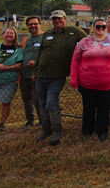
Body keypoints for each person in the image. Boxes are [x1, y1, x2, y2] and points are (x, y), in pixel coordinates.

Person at [34, 10, 86, 145]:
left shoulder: (74, 31)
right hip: (41, 74)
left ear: (64, 19)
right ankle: (46, 129)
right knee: (42, 103)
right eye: (54, 19)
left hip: (57, 75)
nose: (57, 21)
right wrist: (35, 71)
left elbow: (88, 43)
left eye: (59, 19)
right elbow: (40, 53)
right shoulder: (47, 34)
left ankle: (57, 130)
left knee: (51, 102)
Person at [70, 19, 110, 141]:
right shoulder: (84, 42)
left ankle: (102, 131)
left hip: (108, 83)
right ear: (93, 27)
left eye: (103, 26)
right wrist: (73, 78)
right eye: (98, 26)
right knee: (88, 108)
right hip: (87, 83)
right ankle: (87, 130)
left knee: (104, 108)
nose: (100, 29)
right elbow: (75, 60)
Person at [19, 16, 43, 128]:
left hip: (37, 74)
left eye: (35, 24)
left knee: (37, 99)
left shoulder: (44, 37)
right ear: (27, 26)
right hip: (24, 74)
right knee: (26, 99)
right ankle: (30, 121)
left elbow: (47, 54)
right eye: (30, 24)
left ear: (39, 24)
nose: (33, 26)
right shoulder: (26, 39)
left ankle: (42, 120)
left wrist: (36, 61)